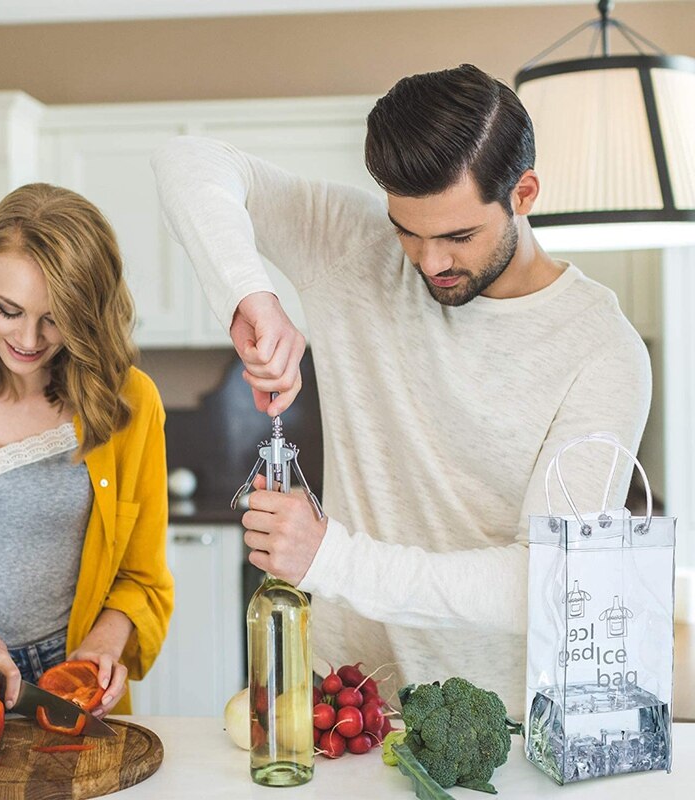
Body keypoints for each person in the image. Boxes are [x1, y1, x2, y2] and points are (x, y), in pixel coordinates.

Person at [151, 64, 650, 716]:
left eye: (458, 236)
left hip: (502, 727)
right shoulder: (350, 242)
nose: (430, 262)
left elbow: (545, 578)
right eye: (407, 231)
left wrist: (333, 559)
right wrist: (253, 295)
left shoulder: (602, 351)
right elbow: (187, 161)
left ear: (523, 193)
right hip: (344, 707)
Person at [0, 183, 173, 716]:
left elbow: (143, 580)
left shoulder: (129, 404)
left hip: (68, 684)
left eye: (55, 317)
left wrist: (103, 645)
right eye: (9, 309)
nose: (28, 338)